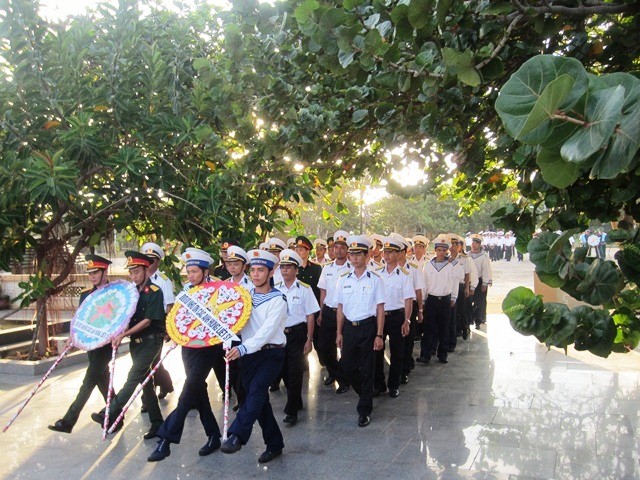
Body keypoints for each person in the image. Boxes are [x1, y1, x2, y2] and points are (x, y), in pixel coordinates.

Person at [147, 248, 222, 462]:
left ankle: (166, 439)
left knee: (189, 390)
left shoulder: (216, 290)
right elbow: (177, 317)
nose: (190, 276)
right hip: (188, 348)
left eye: (195, 272)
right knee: (198, 391)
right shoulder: (186, 291)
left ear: (205, 272)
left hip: (208, 348)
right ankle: (214, 436)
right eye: (188, 272)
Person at [221, 249, 287, 464]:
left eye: (261, 270)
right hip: (249, 356)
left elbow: (265, 332)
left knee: (257, 391)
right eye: (253, 270)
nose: (256, 274)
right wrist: (226, 338)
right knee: (260, 401)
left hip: (271, 354)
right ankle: (274, 442)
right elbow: (234, 324)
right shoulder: (244, 297)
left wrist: (241, 348)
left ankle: (237, 435)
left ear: (271, 272)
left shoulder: (278, 300)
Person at [91, 251, 165, 439]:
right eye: (131, 273)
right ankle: (157, 423)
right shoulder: (130, 293)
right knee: (145, 383)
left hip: (151, 342)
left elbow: (148, 320)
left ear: (146, 270)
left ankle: (109, 412)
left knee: (133, 377)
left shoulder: (155, 291)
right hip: (136, 343)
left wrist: (124, 333)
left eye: (137, 272)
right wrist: (115, 333)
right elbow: (121, 316)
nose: (133, 276)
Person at [48, 254, 114, 434]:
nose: (92, 276)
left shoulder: (115, 294)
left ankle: (68, 421)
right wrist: (73, 336)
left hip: (105, 345)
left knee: (89, 380)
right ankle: (116, 416)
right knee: (103, 381)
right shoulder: (86, 294)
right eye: (90, 273)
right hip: (90, 344)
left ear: (104, 271)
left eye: (95, 272)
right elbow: (80, 319)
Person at [335, 235, 385, 427]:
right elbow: (340, 307)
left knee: (368, 369)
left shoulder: (375, 279)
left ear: (367, 256)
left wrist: (379, 334)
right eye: (352, 254)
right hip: (349, 328)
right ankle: (365, 392)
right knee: (346, 365)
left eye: (358, 254)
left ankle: (364, 410)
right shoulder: (343, 279)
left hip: (368, 327)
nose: (354, 258)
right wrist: (339, 332)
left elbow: (380, 308)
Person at [274, 249, 319, 426]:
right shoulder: (275, 289)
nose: (284, 270)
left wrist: (309, 338)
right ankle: (296, 400)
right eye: (282, 267)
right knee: (282, 370)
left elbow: (310, 316)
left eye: (288, 267)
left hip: (298, 334)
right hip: (279, 335)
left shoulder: (305, 290)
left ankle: (291, 411)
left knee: (295, 372)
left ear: (296, 270)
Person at [374, 237, 413, 398]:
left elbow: (408, 299)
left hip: (397, 317)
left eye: (391, 252)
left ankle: (394, 385)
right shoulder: (376, 274)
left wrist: (407, 320)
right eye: (385, 252)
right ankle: (379, 384)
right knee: (377, 353)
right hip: (380, 318)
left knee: (397, 353)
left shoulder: (405, 275)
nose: (387, 255)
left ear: (398, 254)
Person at [316, 230, 352, 393]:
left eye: (342, 247)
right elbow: (323, 291)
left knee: (346, 349)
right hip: (329, 312)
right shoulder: (327, 268)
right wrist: (321, 312)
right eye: (336, 247)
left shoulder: (352, 268)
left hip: (346, 313)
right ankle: (337, 375)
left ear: (347, 250)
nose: (338, 250)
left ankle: (346, 379)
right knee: (324, 348)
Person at [141, 242, 175, 400]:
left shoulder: (163, 280)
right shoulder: (139, 277)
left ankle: (147, 400)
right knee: (152, 361)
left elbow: (169, 305)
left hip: (157, 325)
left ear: (158, 261)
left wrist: (167, 328)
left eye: (152, 260)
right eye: (146, 260)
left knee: (151, 361)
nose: (149, 263)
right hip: (141, 325)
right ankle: (166, 384)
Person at [417, 236, 458, 365]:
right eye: (439, 250)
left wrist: (454, 297)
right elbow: (424, 284)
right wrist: (422, 301)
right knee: (429, 329)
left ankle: (443, 354)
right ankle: (425, 355)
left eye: (443, 250)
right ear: (435, 250)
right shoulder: (428, 266)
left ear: (447, 251)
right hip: (432, 300)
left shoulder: (451, 265)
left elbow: (456, 281)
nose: (441, 253)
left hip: (445, 300)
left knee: (444, 328)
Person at [469, 234, 492, 329]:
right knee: (469, 301)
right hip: (469, 282)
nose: (474, 244)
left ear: (480, 244)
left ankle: (479, 320)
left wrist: (485, 283)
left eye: (476, 243)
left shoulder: (484, 256)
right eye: (473, 242)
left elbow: (486, 270)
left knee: (480, 302)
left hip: (480, 281)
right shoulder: (467, 255)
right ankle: (470, 319)